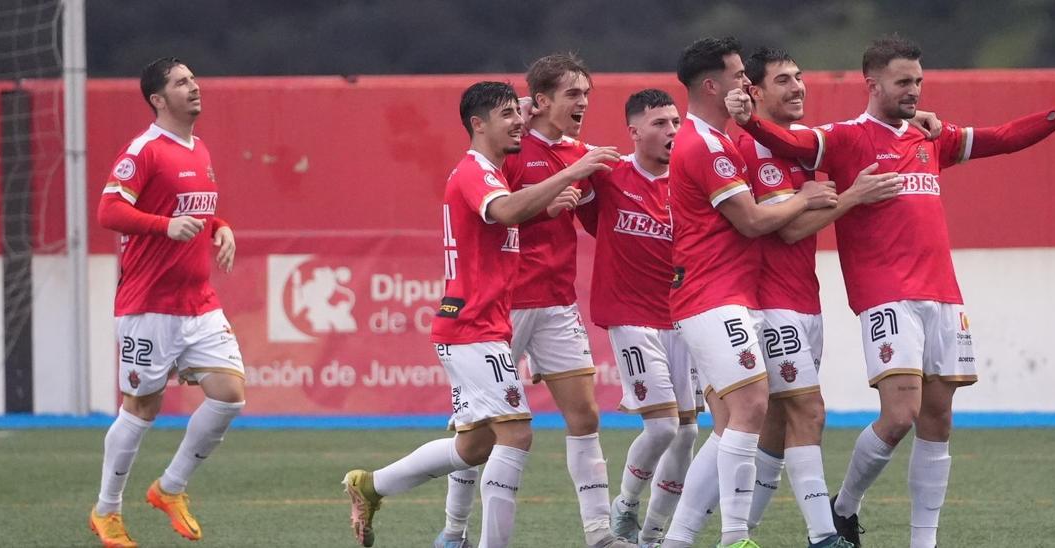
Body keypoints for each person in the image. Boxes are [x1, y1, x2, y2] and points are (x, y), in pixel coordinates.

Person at [728, 34, 1055, 548]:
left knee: (938, 416)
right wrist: (749, 120)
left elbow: (1004, 137)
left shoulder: (931, 136)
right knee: (901, 413)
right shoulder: (844, 138)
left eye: (918, 82)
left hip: (943, 294)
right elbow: (791, 144)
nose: (913, 90)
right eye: (903, 82)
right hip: (886, 295)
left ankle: (921, 542)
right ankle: (844, 506)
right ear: (872, 84)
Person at [341, 81, 618, 548]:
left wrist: (546, 206)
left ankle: (372, 485)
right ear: (478, 124)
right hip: (472, 326)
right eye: (507, 115)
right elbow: (505, 211)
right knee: (516, 435)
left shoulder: (492, 171)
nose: (518, 122)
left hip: (485, 324)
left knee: (474, 447)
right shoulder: (477, 173)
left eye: (519, 112)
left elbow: (504, 221)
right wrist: (574, 171)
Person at [659, 36, 839, 548]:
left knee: (731, 425)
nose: (746, 83)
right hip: (712, 295)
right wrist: (805, 197)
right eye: (739, 75)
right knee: (753, 408)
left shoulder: (718, 140)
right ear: (712, 85)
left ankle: (678, 538)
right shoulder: (707, 146)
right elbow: (756, 221)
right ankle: (734, 536)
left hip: (724, 295)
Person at [734, 47, 903, 548]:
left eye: (800, 77)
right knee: (810, 413)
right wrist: (850, 197)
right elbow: (787, 232)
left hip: (804, 300)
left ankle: (740, 533)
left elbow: (860, 134)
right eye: (783, 80)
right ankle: (824, 535)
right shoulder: (753, 150)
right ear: (755, 93)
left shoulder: (804, 151)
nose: (797, 87)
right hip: (770, 304)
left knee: (776, 425)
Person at [90, 56, 247, 548]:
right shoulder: (144, 150)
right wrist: (163, 227)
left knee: (229, 394)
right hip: (148, 305)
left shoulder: (198, 149)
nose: (194, 87)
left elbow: (194, 212)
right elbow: (108, 210)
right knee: (141, 408)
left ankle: (170, 488)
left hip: (198, 302)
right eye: (182, 82)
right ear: (158, 99)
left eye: (194, 79)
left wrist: (221, 229)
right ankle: (107, 511)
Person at [575, 89, 701, 546]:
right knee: (663, 425)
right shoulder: (609, 174)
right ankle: (625, 507)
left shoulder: (691, 180)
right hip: (630, 317)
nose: (672, 131)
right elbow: (555, 152)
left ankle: (653, 536)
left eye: (675, 122)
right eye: (660, 124)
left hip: (684, 317)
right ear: (634, 132)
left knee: (687, 434)